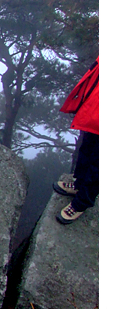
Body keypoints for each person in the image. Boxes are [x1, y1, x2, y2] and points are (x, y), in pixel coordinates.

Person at [53, 56, 99, 224]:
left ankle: (82, 202)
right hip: (96, 109)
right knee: (87, 149)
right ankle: (79, 184)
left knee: (98, 163)